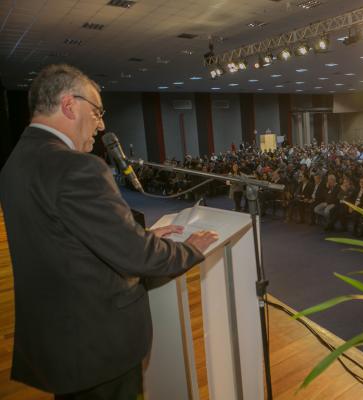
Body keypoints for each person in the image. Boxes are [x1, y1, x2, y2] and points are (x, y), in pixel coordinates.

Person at [0, 64, 219, 400]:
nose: (102, 125)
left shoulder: (17, 160)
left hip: (60, 338)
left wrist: (134, 236)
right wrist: (190, 247)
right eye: (98, 111)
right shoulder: (77, 167)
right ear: (70, 105)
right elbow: (138, 257)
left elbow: (69, 238)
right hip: (98, 344)